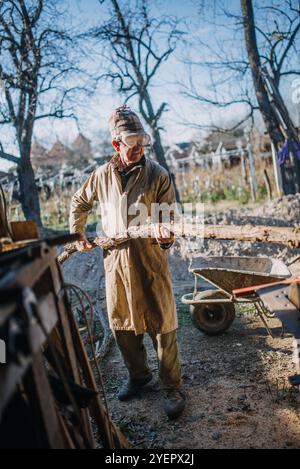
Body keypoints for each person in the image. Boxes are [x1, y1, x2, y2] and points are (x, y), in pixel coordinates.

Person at [69, 105, 185, 419]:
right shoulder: (102, 175)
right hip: (116, 263)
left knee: (162, 325)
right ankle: (139, 377)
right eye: (131, 146)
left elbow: (168, 216)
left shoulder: (158, 174)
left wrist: (164, 232)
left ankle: (172, 386)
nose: (138, 151)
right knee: (122, 325)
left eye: (142, 145)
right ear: (116, 145)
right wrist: (77, 232)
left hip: (149, 261)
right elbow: (80, 202)